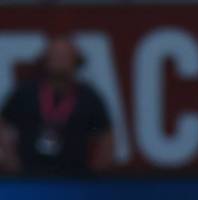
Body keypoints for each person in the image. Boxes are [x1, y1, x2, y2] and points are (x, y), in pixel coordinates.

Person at [0, 35, 113, 176]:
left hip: (75, 179)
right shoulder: (25, 92)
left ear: (76, 60)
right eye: (55, 55)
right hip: (29, 178)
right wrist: (11, 162)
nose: (59, 60)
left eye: (64, 56)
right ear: (45, 60)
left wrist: (95, 176)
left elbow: (106, 136)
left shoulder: (89, 97)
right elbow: (3, 124)